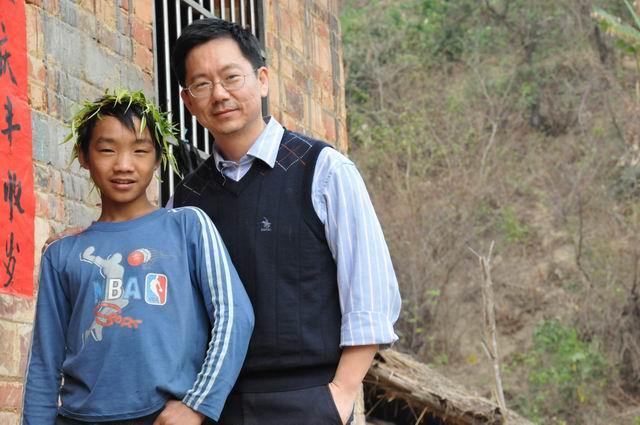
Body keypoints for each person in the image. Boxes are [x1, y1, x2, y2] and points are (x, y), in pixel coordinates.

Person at [169, 18, 402, 425]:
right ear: (188, 101)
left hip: (309, 399)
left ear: (262, 80)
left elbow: (370, 291)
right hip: (218, 407)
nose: (219, 94)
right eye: (202, 84)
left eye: (231, 77)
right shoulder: (185, 200)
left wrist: (340, 394)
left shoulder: (323, 170)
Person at [21, 90, 254, 425]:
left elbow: (234, 316)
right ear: (83, 156)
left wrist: (197, 405)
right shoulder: (63, 253)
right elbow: (44, 362)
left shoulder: (188, 227)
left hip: (167, 417)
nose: (123, 165)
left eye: (140, 150)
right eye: (107, 150)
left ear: (158, 158)